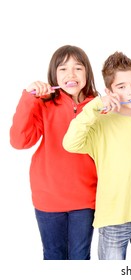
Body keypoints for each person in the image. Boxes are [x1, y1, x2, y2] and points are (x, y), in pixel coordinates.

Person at [63, 51, 131, 260]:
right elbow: (70, 143)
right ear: (109, 91)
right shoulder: (100, 124)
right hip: (113, 219)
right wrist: (96, 105)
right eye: (121, 86)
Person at [9, 45, 99, 260]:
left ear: (87, 73)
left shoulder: (98, 106)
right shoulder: (43, 104)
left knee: (80, 257)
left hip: (86, 199)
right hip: (48, 198)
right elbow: (19, 141)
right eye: (63, 69)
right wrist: (28, 98)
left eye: (78, 68)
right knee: (53, 257)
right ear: (53, 75)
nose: (71, 74)